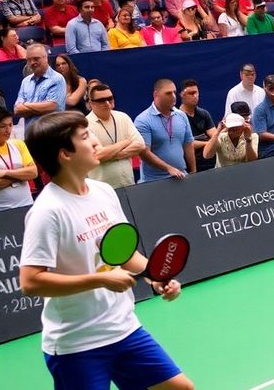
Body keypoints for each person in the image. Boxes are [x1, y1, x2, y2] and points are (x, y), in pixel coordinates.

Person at [20, 112, 193, 390]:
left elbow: (124, 254)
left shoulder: (103, 192)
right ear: (65, 154)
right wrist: (100, 279)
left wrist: (154, 275)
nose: (96, 142)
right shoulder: (47, 211)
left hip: (123, 328)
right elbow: (30, 282)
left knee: (180, 387)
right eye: (86, 136)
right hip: (77, 344)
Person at [134, 79, 195, 182]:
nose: (173, 96)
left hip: (181, 176)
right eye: (168, 93)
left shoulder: (181, 115)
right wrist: (168, 168)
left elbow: (188, 145)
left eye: (174, 92)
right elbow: (144, 153)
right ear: (156, 94)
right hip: (154, 180)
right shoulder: (143, 120)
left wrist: (193, 172)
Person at [86, 83, 145, 189]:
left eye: (110, 98)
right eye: (101, 100)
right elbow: (97, 155)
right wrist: (125, 142)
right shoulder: (85, 124)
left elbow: (140, 145)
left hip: (128, 184)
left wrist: (110, 154)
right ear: (91, 103)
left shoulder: (123, 117)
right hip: (103, 189)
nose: (107, 103)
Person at [0, 103, 36, 211]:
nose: (8, 130)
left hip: (26, 204)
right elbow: (28, 174)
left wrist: (4, 173)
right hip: (0, 210)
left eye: (10, 125)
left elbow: (33, 172)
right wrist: (21, 175)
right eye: (3, 126)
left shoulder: (18, 144)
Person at [16, 44, 67, 130]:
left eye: (36, 59)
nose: (32, 63)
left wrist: (26, 105)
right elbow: (17, 110)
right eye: (29, 60)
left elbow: (51, 106)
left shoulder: (57, 79)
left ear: (46, 58)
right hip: (31, 136)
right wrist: (41, 108)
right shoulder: (25, 81)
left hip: (53, 134)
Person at [178, 80, 216, 173]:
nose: (195, 96)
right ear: (182, 95)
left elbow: (215, 135)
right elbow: (185, 144)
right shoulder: (176, 117)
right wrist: (208, 143)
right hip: (188, 165)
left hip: (210, 162)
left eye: (196, 93)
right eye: (191, 93)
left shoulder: (204, 113)